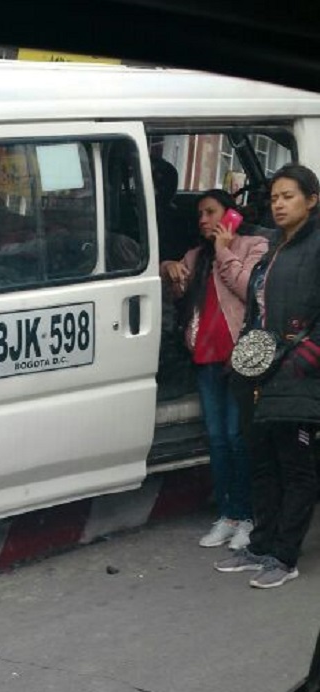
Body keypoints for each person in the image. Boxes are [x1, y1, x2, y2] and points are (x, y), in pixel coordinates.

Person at [215, 163, 320, 588]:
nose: (278, 204)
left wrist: (302, 360)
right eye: (274, 197)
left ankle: (284, 555)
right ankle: (260, 545)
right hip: (258, 372)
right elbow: (256, 308)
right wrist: (244, 356)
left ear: (312, 200)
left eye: (288, 196)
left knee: (295, 468)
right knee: (262, 462)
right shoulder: (272, 245)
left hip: (298, 373)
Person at [160, 189, 268, 551]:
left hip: (239, 358)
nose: (203, 220)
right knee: (218, 441)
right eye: (200, 216)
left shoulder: (253, 247)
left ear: (231, 215)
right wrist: (168, 269)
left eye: (210, 212)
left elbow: (250, 291)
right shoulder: (196, 256)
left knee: (239, 439)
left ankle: (248, 516)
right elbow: (180, 295)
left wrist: (224, 249)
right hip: (205, 358)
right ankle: (228, 514)